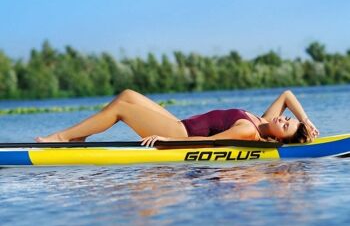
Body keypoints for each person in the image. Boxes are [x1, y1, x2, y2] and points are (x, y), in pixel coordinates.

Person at [35, 89, 319, 146]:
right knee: (127, 95)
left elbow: (209, 143)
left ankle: (62, 137)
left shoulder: (249, 130)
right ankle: (82, 135)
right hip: (179, 121)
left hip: (179, 132)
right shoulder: (262, 119)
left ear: (277, 139)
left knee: (121, 110)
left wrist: (167, 141)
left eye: (285, 126)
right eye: (286, 119)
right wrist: (305, 122)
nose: (282, 120)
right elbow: (287, 95)